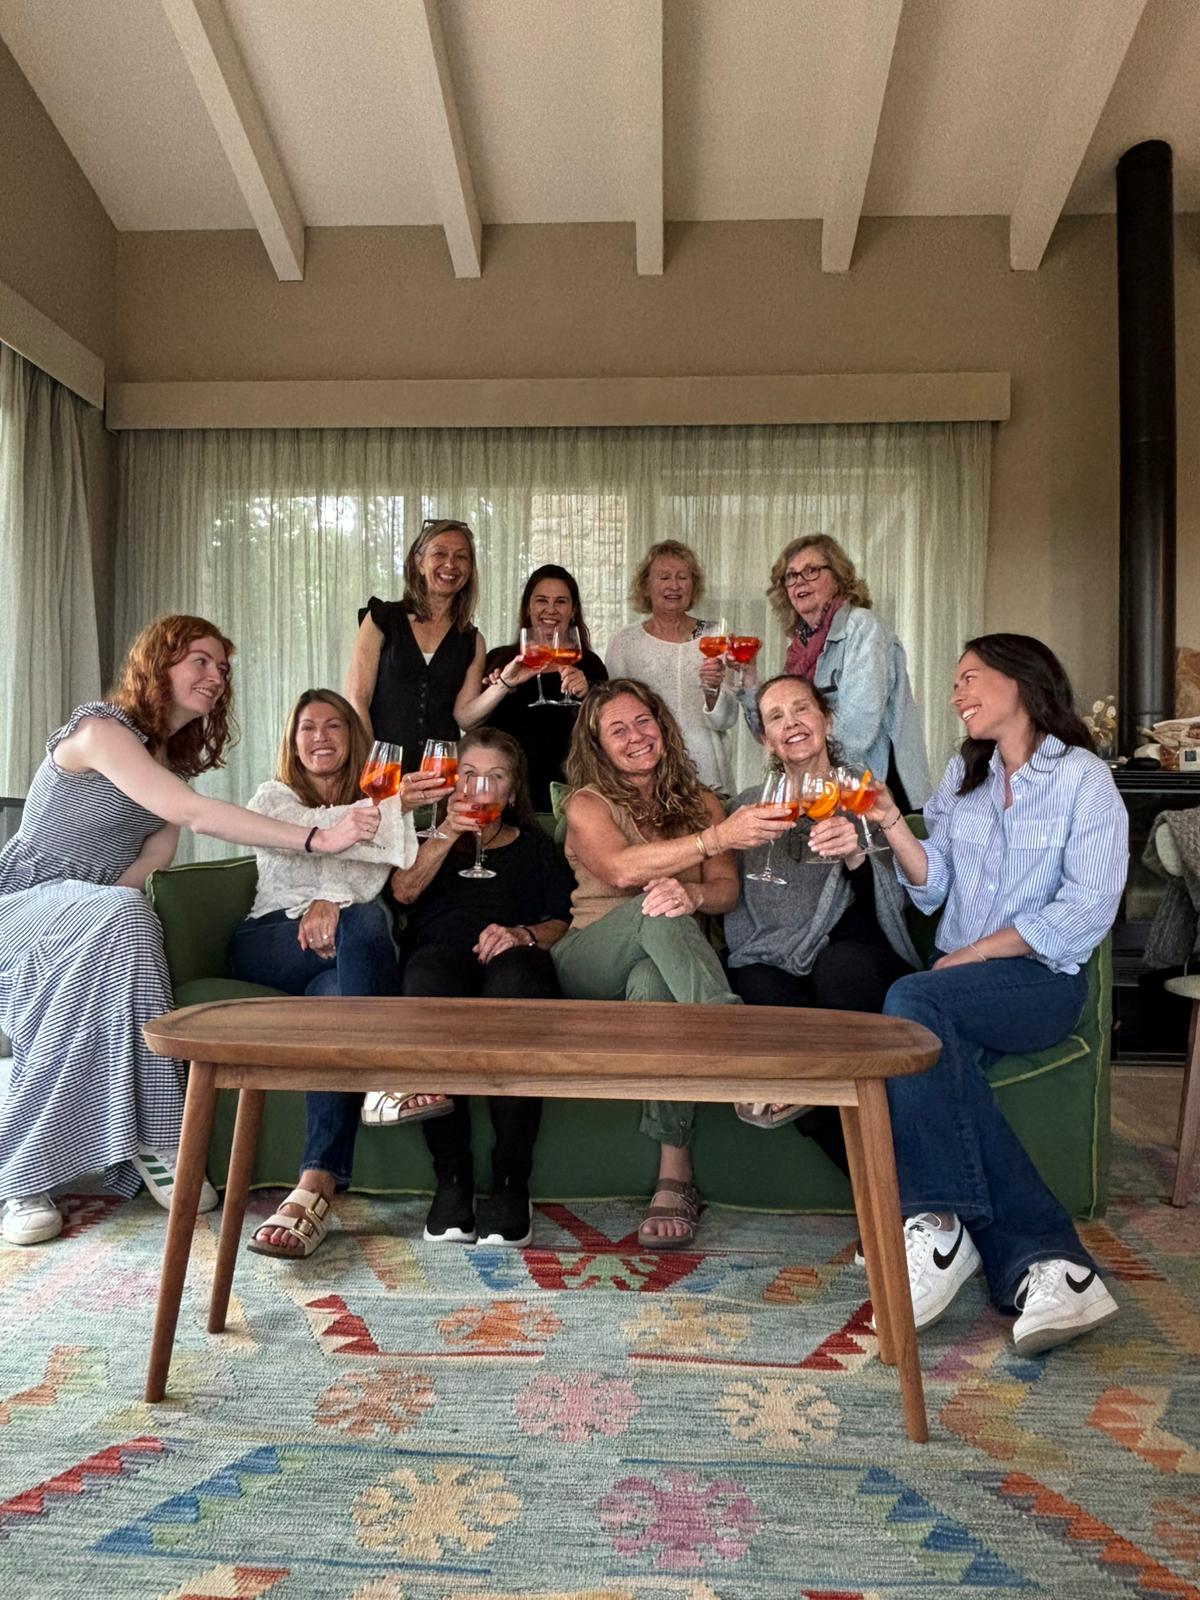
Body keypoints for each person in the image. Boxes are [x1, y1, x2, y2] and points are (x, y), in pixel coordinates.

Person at [0, 617, 380, 1248]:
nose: (215, 676)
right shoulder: (99, 731)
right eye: (199, 661)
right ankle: (32, 1175)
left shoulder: (168, 778)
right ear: (159, 664)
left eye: (222, 668)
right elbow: (194, 814)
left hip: (92, 922)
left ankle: (149, 1137)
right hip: (20, 907)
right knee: (123, 916)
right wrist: (320, 837)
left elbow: (136, 878)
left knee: (128, 920)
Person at [865, 633, 1128, 1355]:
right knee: (934, 1058)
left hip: (1040, 981)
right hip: (958, 985)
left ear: (1023, 681)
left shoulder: (1083, 779)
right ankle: (1053, 1266)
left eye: (970, 677)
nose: (957, 694)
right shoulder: (964, 774)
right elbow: (933, 885)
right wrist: (889, 821)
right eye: (955, 683)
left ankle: (939, 1226)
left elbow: (1088, 907)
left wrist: (978, 951)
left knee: (912, 1003)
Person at [553, 679, 795, 1250]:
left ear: (662, 725)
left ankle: (674, 1178)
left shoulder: (702, 803)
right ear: (598, 745)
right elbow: (620, 870)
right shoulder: (587, 804)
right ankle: (742, 1057)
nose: (636, 736)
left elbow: (726, 892)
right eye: (618, 730)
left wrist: (694, 895)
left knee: (653, 978)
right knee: (653, 906)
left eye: (644, 721)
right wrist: (712, 840)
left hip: (665, 966)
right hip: (590, 958)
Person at [228, 688, 452, 1261]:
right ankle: (384, 1072)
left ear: (354, 739)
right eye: (308, 727)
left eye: (334, 726)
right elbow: (320, 832)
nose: (321, 736)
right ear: (293, 740)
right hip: (274, 939)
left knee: (344, 983)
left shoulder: (376, 804)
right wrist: (387, 815)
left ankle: (315, 1185)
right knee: (366, 921)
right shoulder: (273, 797)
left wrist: (333, 898)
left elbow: (384, 870)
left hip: (341, 957)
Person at [389, 728, 575, 1247]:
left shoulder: (535, 848)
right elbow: (403, 892)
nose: (479, 789)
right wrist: (448, 832)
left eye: (495, 778)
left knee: (520, 981)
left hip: (511, 957)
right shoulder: (426, 837)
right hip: (440, 955)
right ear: (451, 783)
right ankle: (452, 1178)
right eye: (468, 775)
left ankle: (512, 1180)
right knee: (426, 980)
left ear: (512, 793)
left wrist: (523, 935)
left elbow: (563, 919)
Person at [724, 673, 919, 1153]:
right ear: (764, 738)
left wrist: (856, 854)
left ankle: (800, 1087)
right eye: (776, 716)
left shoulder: (864, 796)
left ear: (826, 720)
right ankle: (874, 1173)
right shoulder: (749, 806)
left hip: (855, 954)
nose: (791, 722)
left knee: (841, 968)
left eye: (802, 709)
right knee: (753, 982)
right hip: (775, 956)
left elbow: (895, 903)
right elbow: (732, 895)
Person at [738, 534, 931, 812]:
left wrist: (804, 763)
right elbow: (770, 733)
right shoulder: (800, 648)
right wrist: (748, 678)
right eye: (791, 576)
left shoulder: (862, 627)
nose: (799, 582)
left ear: (838, 578)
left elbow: (856, 730)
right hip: (825, 788)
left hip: (876, 789)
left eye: (811, 571)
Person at [344, 517, 529, 771]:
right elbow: (357, 699)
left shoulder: (471, 639)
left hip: (440, 774)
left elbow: (465, 717)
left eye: (461, 557)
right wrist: (373, 765)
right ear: (419, 563)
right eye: (439, 553)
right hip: (381, 772)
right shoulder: (381, 619)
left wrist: (504, 683)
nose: (450, 564)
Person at [605, 540, 737, 797]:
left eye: (682, 577)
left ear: (693, 585)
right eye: (664, 577)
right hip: (646, 771)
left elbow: (726, 720)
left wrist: (712, 692)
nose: (674, 586)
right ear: (646, 585)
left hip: (708, 772)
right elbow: (613, 715)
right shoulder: (624, 642)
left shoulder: (716, 636)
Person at [482, 565, 608, 810]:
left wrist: (588, 693)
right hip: (508, 794)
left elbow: (607, 731)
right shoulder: (500, 660)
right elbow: (477, 727)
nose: (551, 609)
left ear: (573, 611)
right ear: (528, 608)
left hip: (571, 795)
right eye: (542, 600)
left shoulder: (589, 664)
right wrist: (497, 688)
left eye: (560, 601)